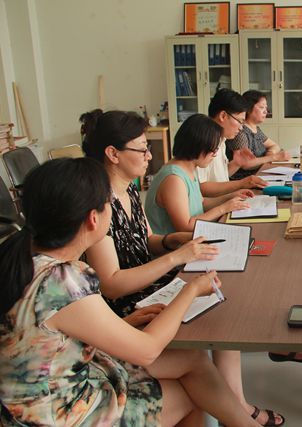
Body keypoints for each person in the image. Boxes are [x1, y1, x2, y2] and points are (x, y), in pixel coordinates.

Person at [0, 158, 262, 427]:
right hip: (54, 414)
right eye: (107, 204)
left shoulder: (23, 259)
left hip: (48, 388)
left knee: (191, 359)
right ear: (93, 219)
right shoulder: (62, 281)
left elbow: (51, 334)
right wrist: (191, 290)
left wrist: (123, 324)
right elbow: (147, 350)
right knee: (189, 395)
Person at [80, 109, 284, 426]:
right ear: (113, 154)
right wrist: (176, 257)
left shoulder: (129, 188)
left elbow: (147, 240)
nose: (150, 156)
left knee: (220, 300)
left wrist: (176, 241)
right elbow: (113, 284)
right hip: (128, 303)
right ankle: (237, 410)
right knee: (211, 315)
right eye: (142, 149)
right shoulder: (98, 204)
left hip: (150, 282)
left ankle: (237, 405)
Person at [146, 113, 252, 234]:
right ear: (198, 146)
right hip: (178, 244)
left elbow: (201, 203)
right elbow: (185, 226)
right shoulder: (173, 179)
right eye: (213, 150)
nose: (215, 154)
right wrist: (223, 208)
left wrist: (231, 197)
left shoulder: (189, 168)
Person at [198, 89, 267, 196]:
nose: (241, 128)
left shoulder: (221, 140)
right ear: (223, 116)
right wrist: (241, 184)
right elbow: (201, 188)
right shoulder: (204, 142)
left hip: (223, 200)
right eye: (240, 121)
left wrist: (236, 163)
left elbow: (219, 178)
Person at [227, 90, 291, 181]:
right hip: (243, 180)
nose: (266, 111)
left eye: (266, 108)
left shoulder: (256, 129)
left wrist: (270, 155)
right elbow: (245, 164)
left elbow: (274, 145)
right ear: (248, 108)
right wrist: (273, 157)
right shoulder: (240, 132)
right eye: (261, 107)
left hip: (260, 174)